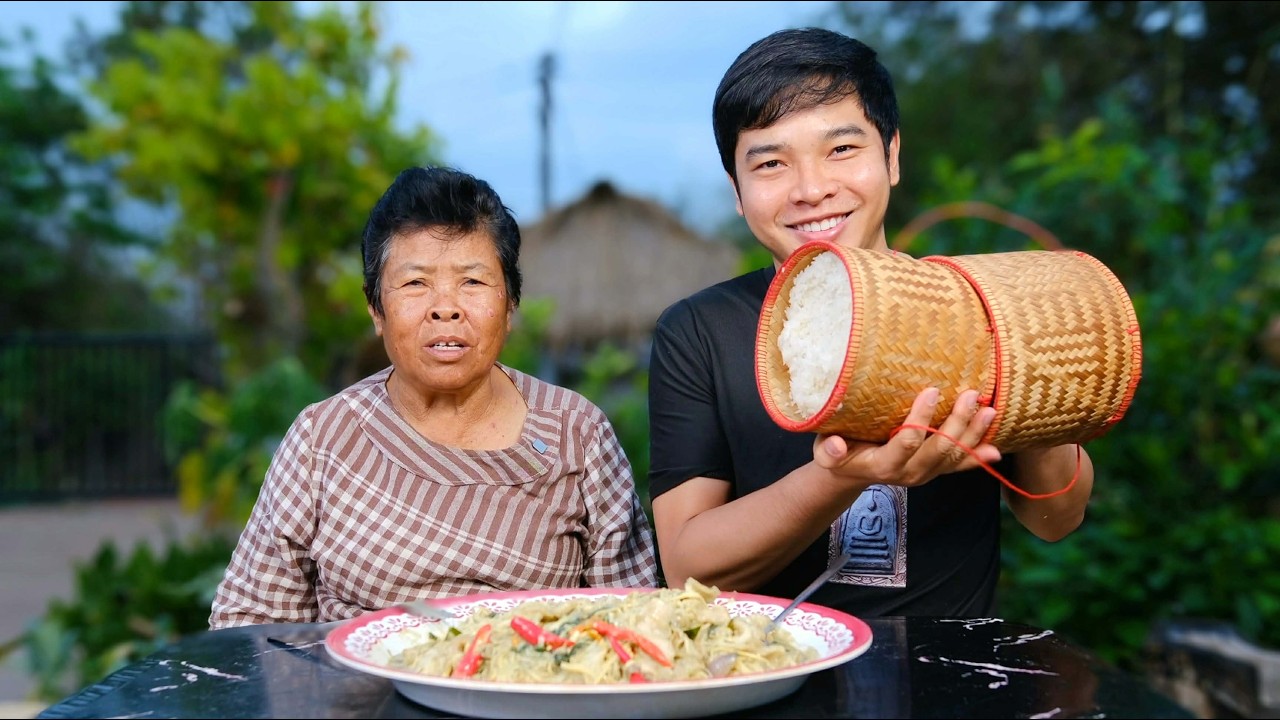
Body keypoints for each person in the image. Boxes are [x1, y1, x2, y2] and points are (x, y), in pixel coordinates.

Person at [646, 27, 1094, 616]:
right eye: (771, 163)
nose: (811, 190)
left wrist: (1025, 364)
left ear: (892, 156)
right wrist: (839, 477)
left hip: (948, 660)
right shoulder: (700, 332)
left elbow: (1057, 516)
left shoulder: (973, 302)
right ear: (736, 189)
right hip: (774, 659)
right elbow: (687, 568)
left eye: (841, 149)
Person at [209, 166, 659, 628]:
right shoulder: (322, 438)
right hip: (353, 676)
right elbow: (250, 622)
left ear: (510, 305)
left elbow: (635, 619)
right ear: (376, 309)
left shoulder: (577, 433)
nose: (445, 308)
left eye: (473, 282)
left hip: (533, 673)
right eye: (415, 283)